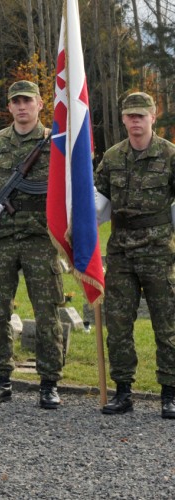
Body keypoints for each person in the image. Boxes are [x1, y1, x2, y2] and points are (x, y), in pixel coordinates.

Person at [0, 80, 65, 409]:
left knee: (48, 313)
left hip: (41, 239)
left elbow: (72, 185)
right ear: (8, 107)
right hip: (4, 239)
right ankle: (0, 379)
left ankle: (49, 382)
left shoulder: (57, 142)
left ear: (40, 104)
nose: (22, 107)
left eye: (28, 101)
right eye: (16, 102)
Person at [94, 91, 175, 419]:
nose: (136, 121)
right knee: (118, 322)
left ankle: (169, 393)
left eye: (142, 115)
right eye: (131, 116)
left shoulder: (169, 155)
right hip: (122, 253)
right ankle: (123, 391)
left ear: (153, 117)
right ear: (124, 119)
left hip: (158, 252)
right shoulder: (112, 157)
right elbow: (98, 199)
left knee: (167, 323)